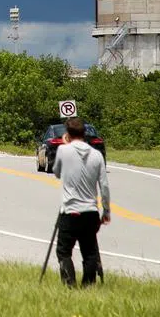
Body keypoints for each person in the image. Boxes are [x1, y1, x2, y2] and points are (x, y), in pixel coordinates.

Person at [52, 116, 110, 288]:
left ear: (68, 134)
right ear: (84, 133)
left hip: (70, 210)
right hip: (90, 211)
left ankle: (70, 285)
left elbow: (57, 172)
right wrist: (106, 211)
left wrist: (65, 145)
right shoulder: (97, 155)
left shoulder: (63, 150)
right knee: (90, 252)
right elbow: (104, 186)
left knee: (63, 251)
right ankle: (88, 286)